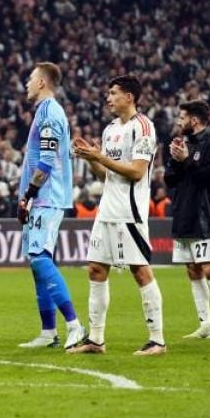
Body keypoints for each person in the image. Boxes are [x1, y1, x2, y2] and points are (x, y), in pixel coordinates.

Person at [68, 75, 167, 356]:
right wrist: (92, 159)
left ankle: (157, 340)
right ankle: (96, 340)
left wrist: (100, 158)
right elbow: (107, 175)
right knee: (96, 269)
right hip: (107, 210)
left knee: (140, 271)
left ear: (129, 97)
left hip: (129, 212)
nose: (108, 98)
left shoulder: (143, 127)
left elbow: (137, 171)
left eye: (113, 93)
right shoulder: (110, 129)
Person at [15, 64, 85, 350]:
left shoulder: (50, 113)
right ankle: (48, 332)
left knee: (40, 257)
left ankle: (75, 325)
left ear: (42, 82)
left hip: (48, 197)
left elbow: (46, 160)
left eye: (31, 79)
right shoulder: (43, 112)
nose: (27, 84)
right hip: (41, 198)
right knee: (37, 263)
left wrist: (29, 194)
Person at [165, 99, 210, 340]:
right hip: (184, 212)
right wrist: (175, 160)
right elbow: (170, 180)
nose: (178, 121)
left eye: (182, 117)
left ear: (194, 120)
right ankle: (205, 324)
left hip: (205, 213)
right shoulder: (182, 143)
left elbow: (209, 177)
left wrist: (186, 160)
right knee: (192, 269)